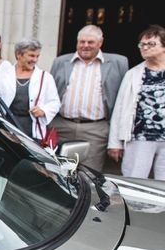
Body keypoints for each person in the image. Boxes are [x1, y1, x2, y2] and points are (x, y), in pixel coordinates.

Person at [50, 25, 128, 171]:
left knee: (89, 175)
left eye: (90, 42)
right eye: (82, 42)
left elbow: (123, 99)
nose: (85, 46)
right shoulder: (60, 62)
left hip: (96, 130)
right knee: (58, 171)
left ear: (100, 43)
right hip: (62, 126)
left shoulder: (118, 63)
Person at [108, 25, 165, 179]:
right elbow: (120, 108)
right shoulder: (133, 74)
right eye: (142, 44)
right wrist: (114, 143)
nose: (145, 48)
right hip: (140, 137)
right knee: (134, 179)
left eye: (151, 44)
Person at [10, 39, 61, 141]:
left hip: (32, 130)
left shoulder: (45, 77)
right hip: (8, 126)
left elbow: (55, 103)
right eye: (31, 55)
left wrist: (43, 110)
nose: (35, 60)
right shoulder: (5, 74)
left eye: (37, 56)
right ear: (19, 54)